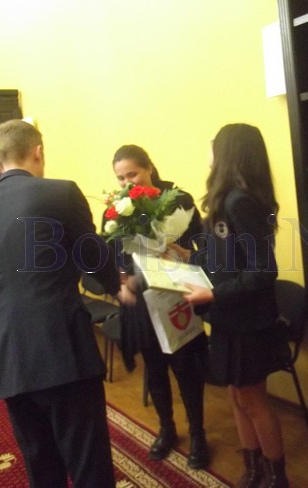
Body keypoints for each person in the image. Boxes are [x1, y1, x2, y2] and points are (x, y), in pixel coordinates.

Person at [0, 119, 135, 487]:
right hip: (63, 352)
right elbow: (93, 256)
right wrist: (119, 288)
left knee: (42, 468)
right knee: (89, 465)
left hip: (9, 361)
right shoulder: (60, 193)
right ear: (38, 152)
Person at [183, 123, 288, 487]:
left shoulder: (239, 202)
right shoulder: (225, 201)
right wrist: (184, 257)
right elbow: (222, 258)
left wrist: (213, 294)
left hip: (248, 322)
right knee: (235, 396)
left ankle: (276, 477)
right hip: (229, 318)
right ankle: (253, 468)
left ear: (230, 153)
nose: (209, 152)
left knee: (253, 401)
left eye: (214, 145)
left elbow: (264, 270)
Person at [109, 144, 210, 469]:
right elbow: (114, 254)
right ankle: (167, 428)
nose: (127, 183)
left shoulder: (178, 199)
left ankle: (198, 434)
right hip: (142, 301)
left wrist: (178, 251)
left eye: (133, 174)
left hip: (177, 295)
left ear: (149, 168)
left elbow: (204, 247)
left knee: (186, 368)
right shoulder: (118, 208)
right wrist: (121, 281)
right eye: (121, 177)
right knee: (154, 368)